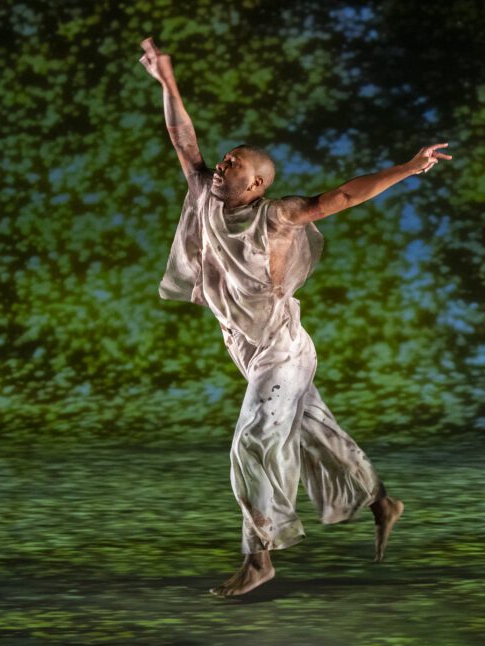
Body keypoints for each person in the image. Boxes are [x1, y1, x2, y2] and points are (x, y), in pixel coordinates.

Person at [139, 36, 451, 597]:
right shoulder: (205, 196)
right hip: (246, 346)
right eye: (224, 159)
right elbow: (182, 138)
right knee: (315, 432)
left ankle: (258, 557)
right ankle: (382, 501)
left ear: (255, 184)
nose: (222, 165)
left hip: (282, 350)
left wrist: (408, 167)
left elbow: (344, 197)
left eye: (233, 164)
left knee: (255, 439)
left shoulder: (277, 217)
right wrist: (168, 80)